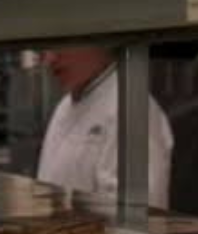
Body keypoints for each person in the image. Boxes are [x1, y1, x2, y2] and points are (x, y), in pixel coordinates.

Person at [37, 47, 174, 210]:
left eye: (60, 45)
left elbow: (139, 214)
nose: (50, 59)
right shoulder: (65, 105)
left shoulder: (131, 108)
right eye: (44, 50)